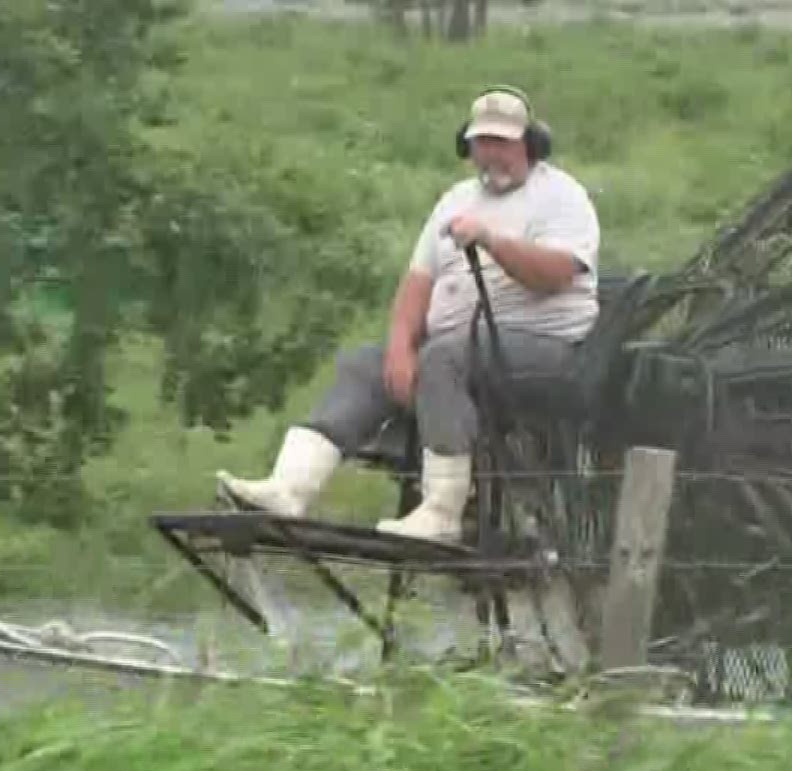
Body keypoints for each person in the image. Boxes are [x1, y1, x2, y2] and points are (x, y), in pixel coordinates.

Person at [217, 85, 601, 543]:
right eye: (482, 143)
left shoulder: (562, 196)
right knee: (365, 364)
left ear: (530, 144)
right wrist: (400, 347)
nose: (491, 154)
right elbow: (418, 282)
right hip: (458, 346)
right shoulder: (456, 198)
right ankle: (289, 489)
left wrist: (493, 242)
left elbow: (555, 275)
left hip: (546, 352)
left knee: (443, 358)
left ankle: (441, 513)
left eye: (502, 142)